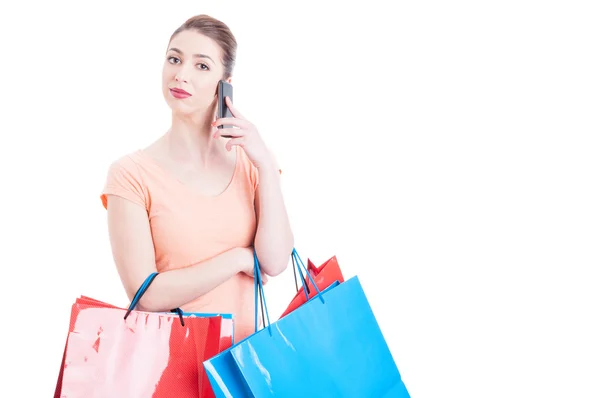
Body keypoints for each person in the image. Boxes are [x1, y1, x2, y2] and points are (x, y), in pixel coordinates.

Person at [100, 14, 294, 342]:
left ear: (225, 83)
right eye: (174, 59)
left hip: (243, 371)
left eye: (201, 66)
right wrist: (237, 259)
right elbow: (146, 295)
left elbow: (274, 262)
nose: (181, 74)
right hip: (168, 370)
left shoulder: (251, 163)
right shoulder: (131, 174)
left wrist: (264, 162)